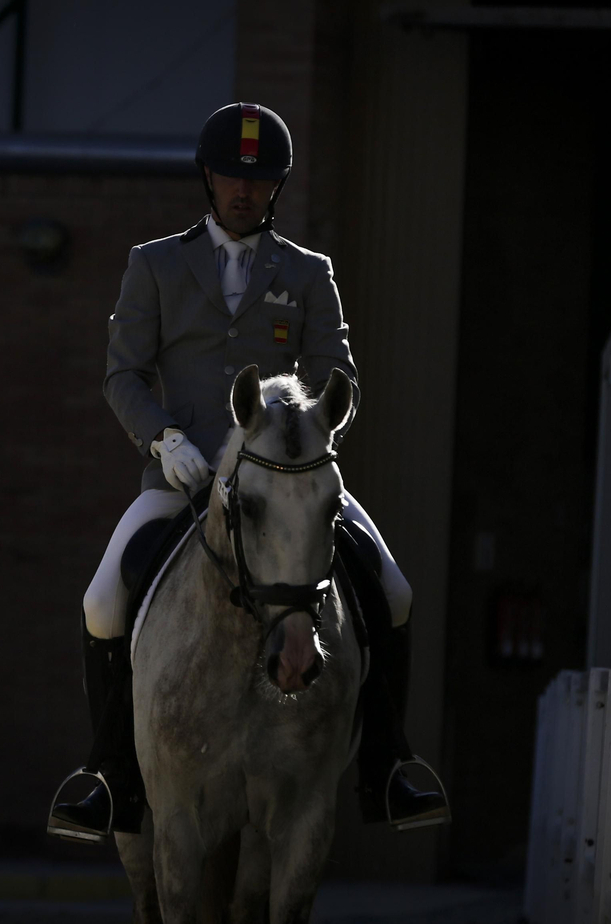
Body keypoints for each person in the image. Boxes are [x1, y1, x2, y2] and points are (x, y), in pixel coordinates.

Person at [48, 102, 448, 843]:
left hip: (283, 478)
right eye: (233, 176)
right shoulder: (155, 264)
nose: (244, 191)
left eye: (259, 181)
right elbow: (123, 376)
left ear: (276, 189)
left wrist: (320, 425)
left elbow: (340, 376)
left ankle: (388, 764)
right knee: (103, 602)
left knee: (393, 589)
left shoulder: (306, 272)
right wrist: (163, 439)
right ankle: (108, 775)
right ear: (208, 177)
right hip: (183, 481)